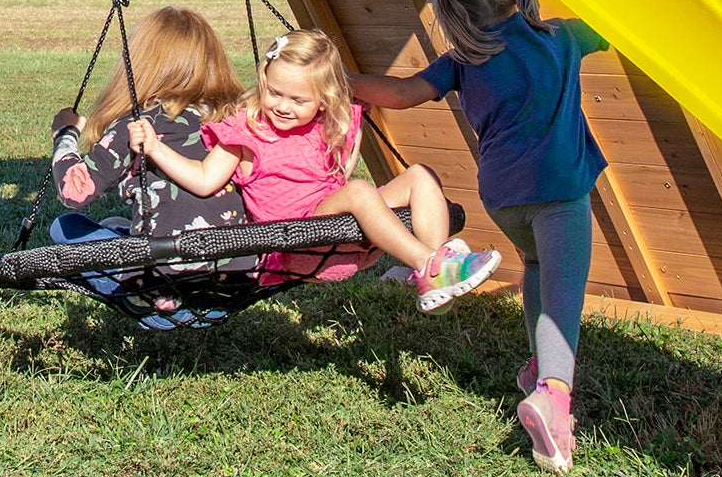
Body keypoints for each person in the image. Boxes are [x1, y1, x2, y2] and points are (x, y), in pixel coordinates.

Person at [350, 0, 608, 472]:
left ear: (456, 15)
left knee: (535, 266)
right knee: (563, 293)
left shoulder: (463, 58)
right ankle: (553, 398)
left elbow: (400, 95)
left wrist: (344, 79)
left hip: (503, 196)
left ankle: (539, 363)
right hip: (560, 191)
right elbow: (614, 29)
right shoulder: (562, 37)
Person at [134, 29, 498, 309]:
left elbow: (336, 176)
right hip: (298, 245)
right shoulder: (248, 129)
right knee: (358, 191)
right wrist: (155, 147)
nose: (282, 106)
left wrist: (346, 127)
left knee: (419, 175)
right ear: (263, 81)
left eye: (298, 99)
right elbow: (203, 179)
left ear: (324, 98)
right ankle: (427, 263)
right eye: (274, 92)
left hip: (338, 234)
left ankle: (433, 273)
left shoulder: (327, 122)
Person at [43, 6, 255, 325]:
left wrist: (65, 134)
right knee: (118, 221)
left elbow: (74, 191)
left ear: (140, 65)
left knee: (67, 226)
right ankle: (187, 292)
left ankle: (149, 294)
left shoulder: (136, 125)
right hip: (234, 278)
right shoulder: (234, 119)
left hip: (160, 277)